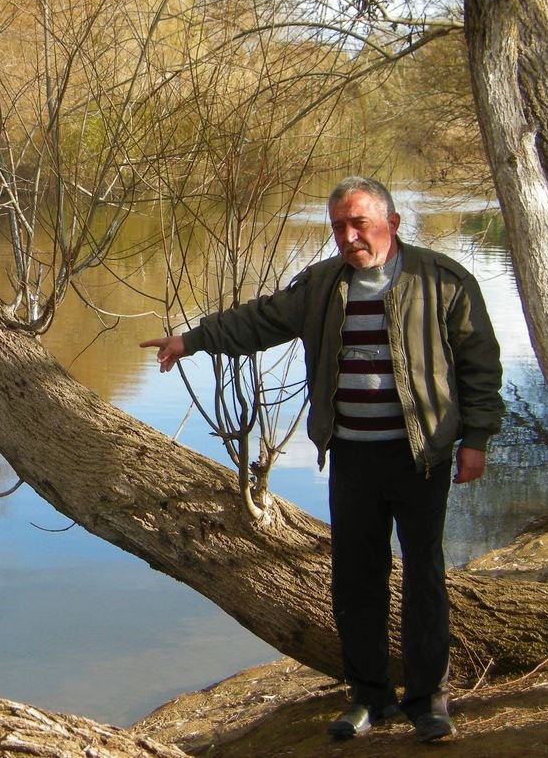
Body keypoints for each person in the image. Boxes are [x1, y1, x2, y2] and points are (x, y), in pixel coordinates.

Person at [140, 177, 503, 743]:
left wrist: (477, 438)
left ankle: (429, 700)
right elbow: (260, 320)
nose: (349, 236)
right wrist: (192, 339)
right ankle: (369, 697)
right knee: (356, 578)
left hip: (420, 456)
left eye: (359, 222)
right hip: (352, 457)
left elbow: (480, 365)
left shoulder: (443, 280)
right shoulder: (322, 285)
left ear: (393, 222)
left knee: (424, 578)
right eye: (339, 226)